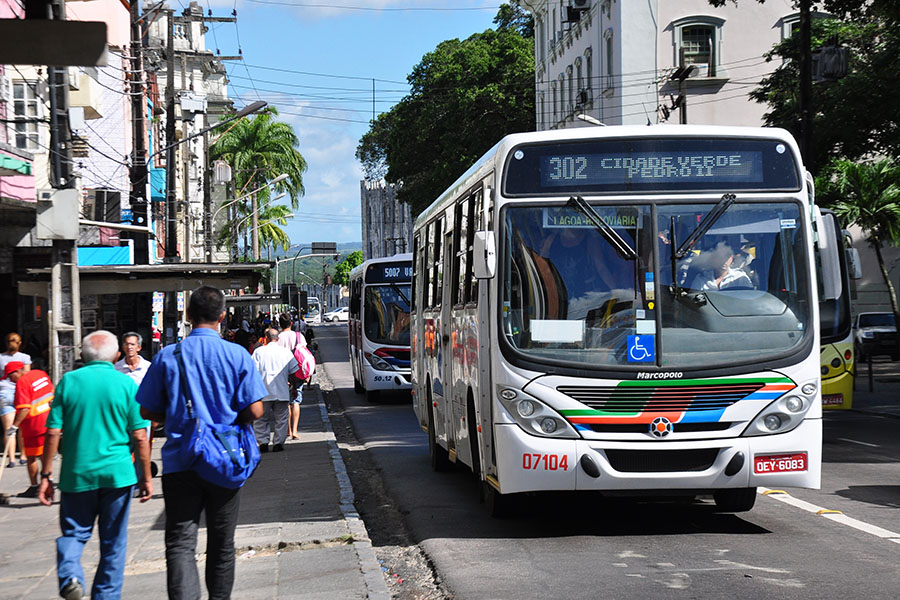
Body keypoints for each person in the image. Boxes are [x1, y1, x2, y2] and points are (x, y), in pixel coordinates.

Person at [136, 286, 266, 600]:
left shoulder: (168, 356)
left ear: (189, 315)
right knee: (222, 544)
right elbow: (256, 410)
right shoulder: (236, 354)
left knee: (180, 543)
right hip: (226, 460)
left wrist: (178, 411)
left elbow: (147, 410)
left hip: (181, 461)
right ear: (222, 316)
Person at [37, 330, 152, 600]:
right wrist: (146, 476)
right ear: (116, 355)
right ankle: (107, 596)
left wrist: (45, 474)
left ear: (82, 355)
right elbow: (139, 436)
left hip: (77, 474)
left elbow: (53, 432)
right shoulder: (126, 385)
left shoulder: (68, 382)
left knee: (74, 534)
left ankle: (71, 575)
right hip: (118, 475)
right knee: (114, 543)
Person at [6, 360, 53, 498]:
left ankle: (34, 487)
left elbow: (25, 408)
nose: (10, 380)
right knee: (46, 455)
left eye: (10, 376)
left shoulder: (22, 382)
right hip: (49, 420)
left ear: (17, 372)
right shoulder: (40, 374)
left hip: (34, 424)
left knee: (31, 456)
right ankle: (48, 482)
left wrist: (14, 426)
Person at [252, 328, 300, 450]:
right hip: (282, 391)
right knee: (282, 419)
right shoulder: (286, 352)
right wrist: (294, 387)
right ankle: (278, 443)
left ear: (266, 338)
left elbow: (253, 372)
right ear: (278, 339)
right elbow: (293, 372)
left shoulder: (258, 352)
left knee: (261, 419)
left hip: (263, 392)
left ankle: (263, 442)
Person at [1, 332, 31, 468]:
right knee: (22, 427)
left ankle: (11, 459)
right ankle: (23, 456)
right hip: (21, 393)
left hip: (5, 392)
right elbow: (27, 377)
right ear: (20, 344)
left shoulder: (0, 358)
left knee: (8, 428)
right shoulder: (25, 358)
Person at [690, 241, 754, 291]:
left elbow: (750, 298)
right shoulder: (701, 279)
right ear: (713, 258)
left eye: (727, 257)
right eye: (720, 257)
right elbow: (693, 301)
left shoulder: (740, 277)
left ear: (732, 258)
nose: (724, 261)